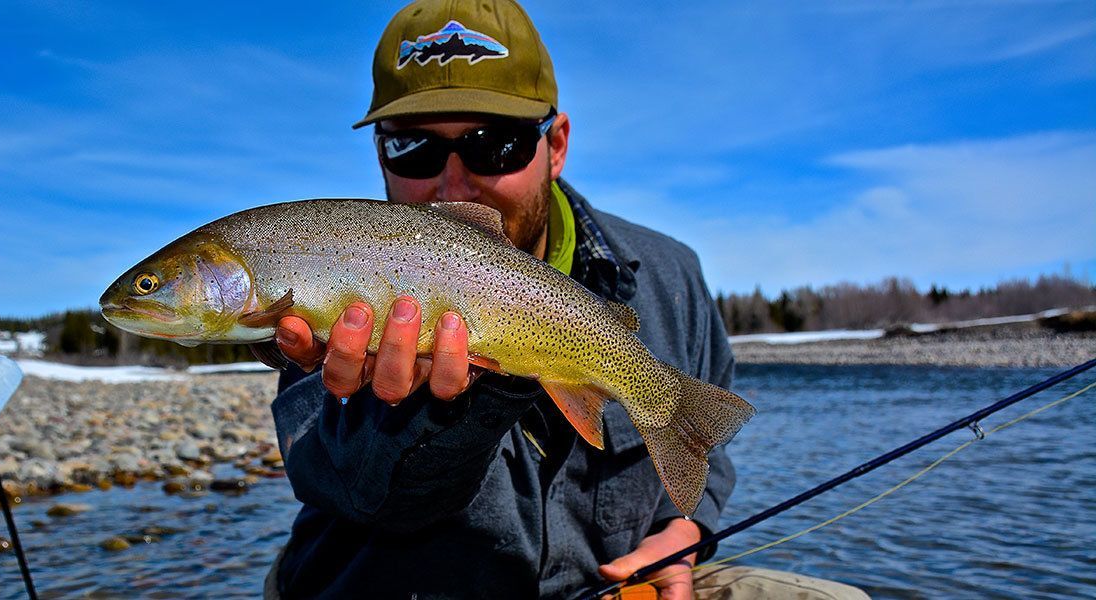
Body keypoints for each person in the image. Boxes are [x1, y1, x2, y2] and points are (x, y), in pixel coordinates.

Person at [264, 1, 868, 598]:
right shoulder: (333, 279)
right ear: (380, 154)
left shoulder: (670, 274)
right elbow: (357, 490)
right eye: (413, 148)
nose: (451, 183)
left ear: (555, 145)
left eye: (493, 145)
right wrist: (422, 413)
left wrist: (685, 527)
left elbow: (703, 441)